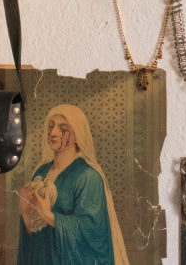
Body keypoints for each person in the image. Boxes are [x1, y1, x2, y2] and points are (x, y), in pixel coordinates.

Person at [17, 104, 129, 265]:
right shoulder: (40, 172)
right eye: (51, 126)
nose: (53, 133)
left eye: (63, 128)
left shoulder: (88, 176)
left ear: (77, 134)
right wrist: (25, 212)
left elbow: (92, 232)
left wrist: (48, 216)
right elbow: (33, 233)